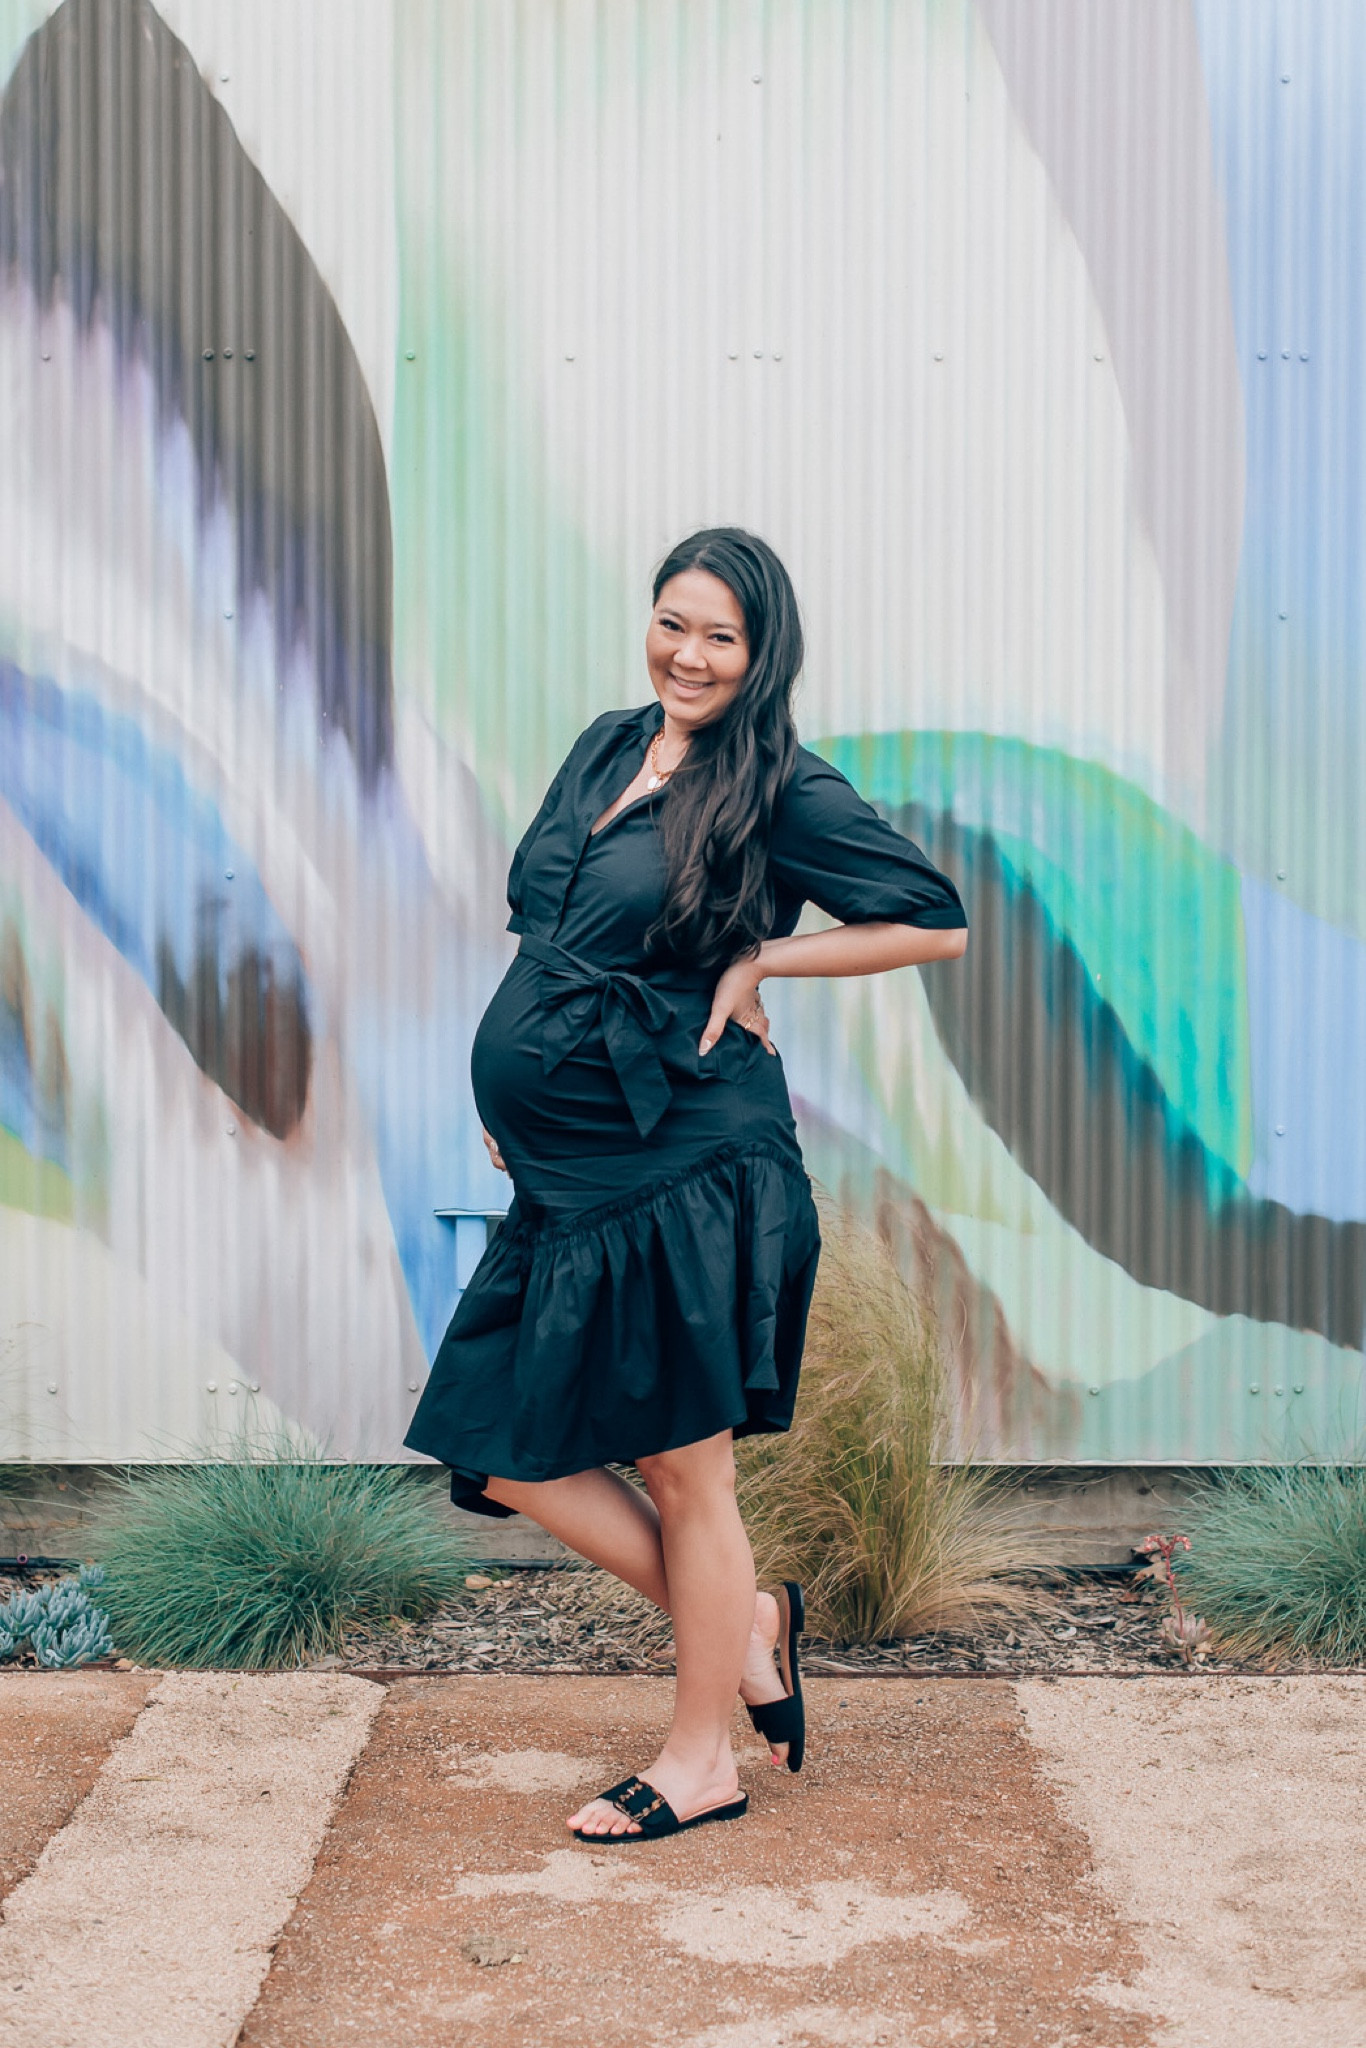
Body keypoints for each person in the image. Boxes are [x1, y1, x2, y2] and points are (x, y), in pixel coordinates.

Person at [405, 528, 967, 1841]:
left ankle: (702, 1758)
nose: (690, 655)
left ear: (763, 654)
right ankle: (748, 1627)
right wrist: (519, 1097)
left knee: (681, 1470)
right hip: (573, 1161)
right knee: (499, 1446)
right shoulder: (609, 743)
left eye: (721, 636)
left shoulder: (779, 785)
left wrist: (761, 962)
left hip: (686, 1160)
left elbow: (931, 920)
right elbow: (552, 937)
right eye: (674, 623)